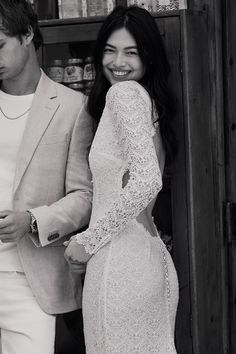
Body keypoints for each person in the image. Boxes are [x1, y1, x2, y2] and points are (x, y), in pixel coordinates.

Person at [65, 5, 179, 354]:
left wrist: (88, 240)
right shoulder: (149, 100)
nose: (118, 62)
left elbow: (146, 181)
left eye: (131, 52)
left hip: (119, 264)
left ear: (148, 56)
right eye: (110, 50)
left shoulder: (125, 94)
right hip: (150, 256)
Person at [0, 0, 93, 353]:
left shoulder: (72, 107)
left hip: (31, 282)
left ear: (27, 35)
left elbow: (83, 196)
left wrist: (32, 220)